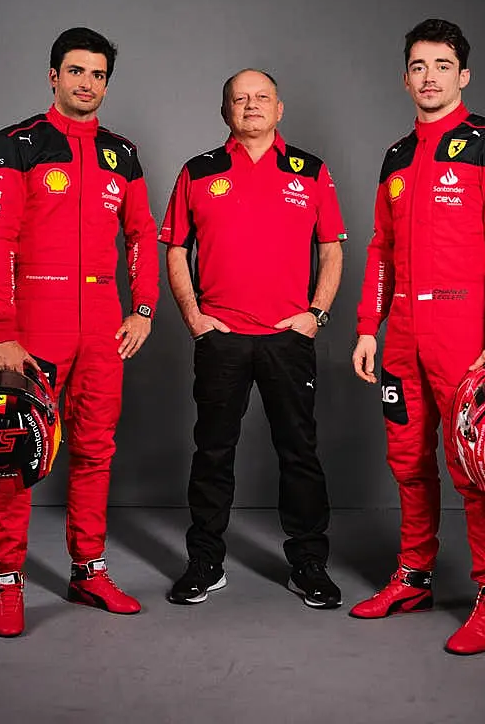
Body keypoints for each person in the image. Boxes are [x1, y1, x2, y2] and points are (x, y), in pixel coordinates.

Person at [350, 19, 485, 655]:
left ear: (464, 74)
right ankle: (414, 576)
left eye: (441, 64)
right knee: (407, 462)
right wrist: (367, 327)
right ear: (406, 77)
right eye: (418, 66)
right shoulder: (397, 157)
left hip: (466, 333)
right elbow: (380, 249)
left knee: (476, 468)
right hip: (401, 332)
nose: (429, 76)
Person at [0, 27, 159, 636]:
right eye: (76, 71)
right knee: (11, 453)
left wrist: (144, 308)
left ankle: (88, 570)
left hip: (103, 325)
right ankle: (8, 583)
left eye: (99, 75)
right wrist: (3, 329)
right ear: (53, 75)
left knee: (95, 451)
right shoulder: (14, 144)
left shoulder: (122, 154)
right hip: (34, 325)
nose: (88, 84)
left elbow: (141, 235)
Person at [159, 69, 347, 609]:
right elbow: (174, 248)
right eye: (240, 99)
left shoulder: (309, 171)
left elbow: (332, 247)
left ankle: (309, 564)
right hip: (222, 338)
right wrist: (195, 317)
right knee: (213, 453)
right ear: (226, 112)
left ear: (279, 109)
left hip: (289, 338)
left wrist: (317, 313)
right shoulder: (199, 171)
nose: (251, 105)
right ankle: (204, 562)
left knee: (300, 454)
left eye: (262, 97)